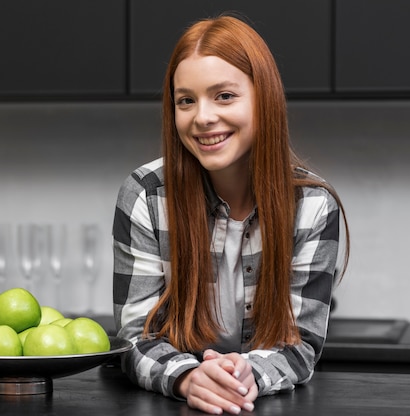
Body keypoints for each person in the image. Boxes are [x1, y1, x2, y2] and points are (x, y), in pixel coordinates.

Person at [112, 15, 350, 415]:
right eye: (186, 100)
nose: (202, 117)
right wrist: (189, 378)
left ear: (265, 99)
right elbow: (136, 337)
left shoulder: (312, 206)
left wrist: (245, 375)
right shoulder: (146, 195)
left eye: (224, 96)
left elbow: (299, 344)